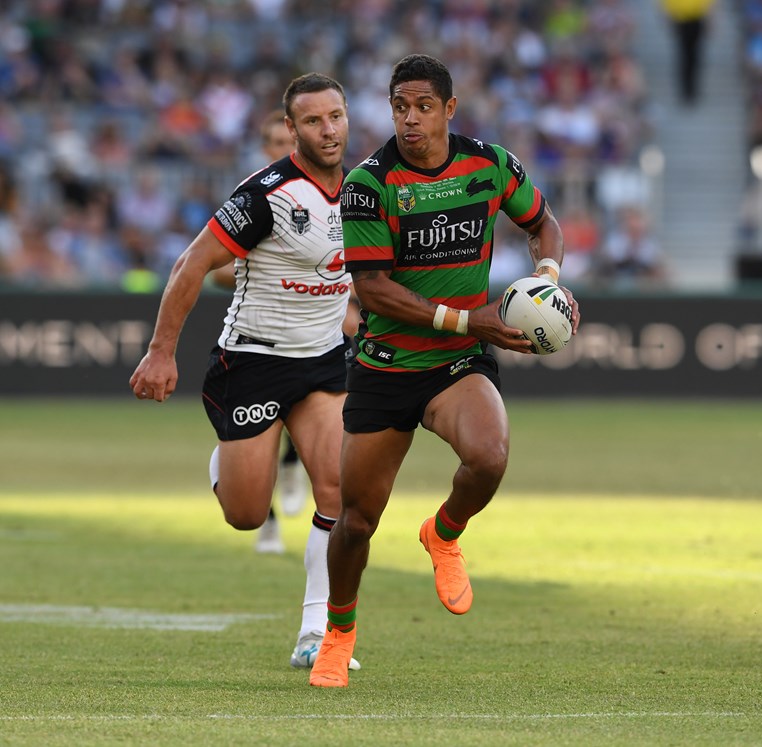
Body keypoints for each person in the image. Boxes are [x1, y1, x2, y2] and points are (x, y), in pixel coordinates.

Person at [309, 54, 580, 687]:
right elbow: (373, 290)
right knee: (357, 521)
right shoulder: (369, 184)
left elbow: (543, 223)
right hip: (386, 364)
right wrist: (468, 320)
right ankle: (338, 633)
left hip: (456, 362)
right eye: (400, 107)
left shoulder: (489, 164)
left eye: (424, 107)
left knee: (489, 457)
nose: (410, 119)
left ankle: (443, 532)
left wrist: (546, 278)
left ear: (449, 109)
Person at [129, 73, 360, 672]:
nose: (328, 130)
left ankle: (317, 632)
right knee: (246, 514)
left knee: (338, 491)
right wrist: (161, 351)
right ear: (291, 128)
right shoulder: (265, 194)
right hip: (254, 360)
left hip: (322, 362)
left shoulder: (365, 190)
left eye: (335, 116)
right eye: (313, 120)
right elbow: (192, 264)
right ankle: (229, 461)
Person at [212, 108, 307, 555]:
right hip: (259, 334)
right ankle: (267, 521)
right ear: (266, 148)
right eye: (276, 143)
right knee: (254, 440)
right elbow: (214, 268)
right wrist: (270, 274)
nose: (285, 150)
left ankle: (293, 461)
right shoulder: (253, 196)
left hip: (312, 332)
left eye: (289, 142)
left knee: (314, 417)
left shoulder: (328, 194)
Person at [660, 0, 716, 106]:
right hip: (680, 18)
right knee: (684, 54)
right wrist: (667, 14)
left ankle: (692, 87)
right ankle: (685, 89)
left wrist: (710, 17)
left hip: (697, 17)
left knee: (694, 55)